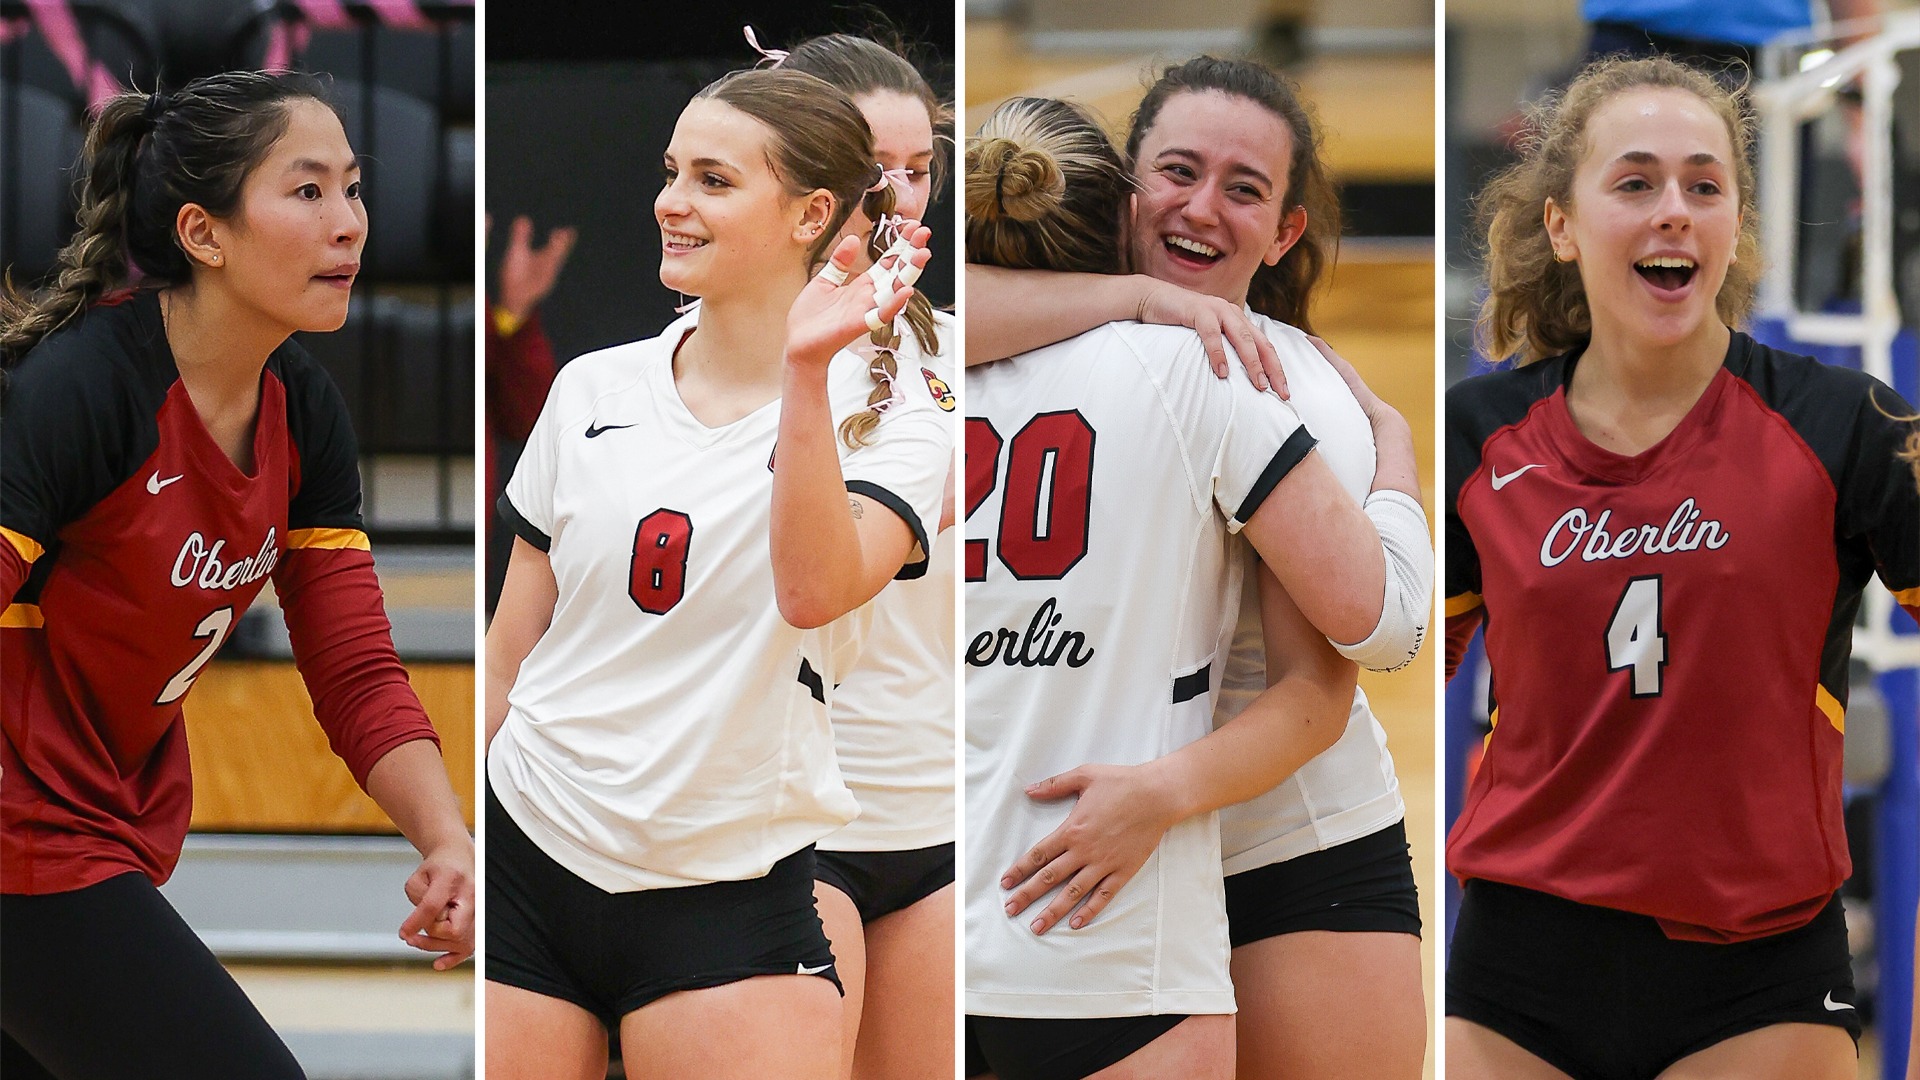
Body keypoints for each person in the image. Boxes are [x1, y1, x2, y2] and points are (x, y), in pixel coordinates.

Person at [1444, 55, 1920, 1080]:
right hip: (1517, 975)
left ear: (1736, 226)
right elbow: (1367, 671)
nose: (1675, 211)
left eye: (1705, 187)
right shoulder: (1478, 436)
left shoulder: (1847, 425)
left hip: (1761, 976)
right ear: (1562, 226)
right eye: (1635, 182)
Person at [0, 71, 475, 1079]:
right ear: (204, 234)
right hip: (23, 834)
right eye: (307, 191)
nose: (348, 222)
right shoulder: (83, 391)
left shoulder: (302, 410)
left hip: (101, 822)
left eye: (352, 187)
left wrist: (446, 837)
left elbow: (354, 672)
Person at [482, 66, 950, 1080]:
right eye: (669, 172)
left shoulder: (898, 419)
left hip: (730, 880)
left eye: (712, 180)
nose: (668, 201)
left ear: (809, 214)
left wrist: (805, 371)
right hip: (533, 847)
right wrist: (466, 842)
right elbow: (513, 643)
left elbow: (815, 592)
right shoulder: (590, 387)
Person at [969, 56, 1432, 1080]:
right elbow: (935, 315)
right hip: (1083, 847)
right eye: (1178, 172)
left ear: (1285, 233)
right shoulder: (1037, 336)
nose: (1203, 209)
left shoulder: (1291, 383)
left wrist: (1393, 451)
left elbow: (1352, 663)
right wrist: (1135, 296)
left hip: (1284, 840)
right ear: (1124, 186)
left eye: (1246, 189)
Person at [780, 30, 959, 1080]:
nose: (897, 196)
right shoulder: (736, 353)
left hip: (937, 809)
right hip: (794, 813)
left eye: (919, 171)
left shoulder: (961, 351)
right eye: (870, 168)